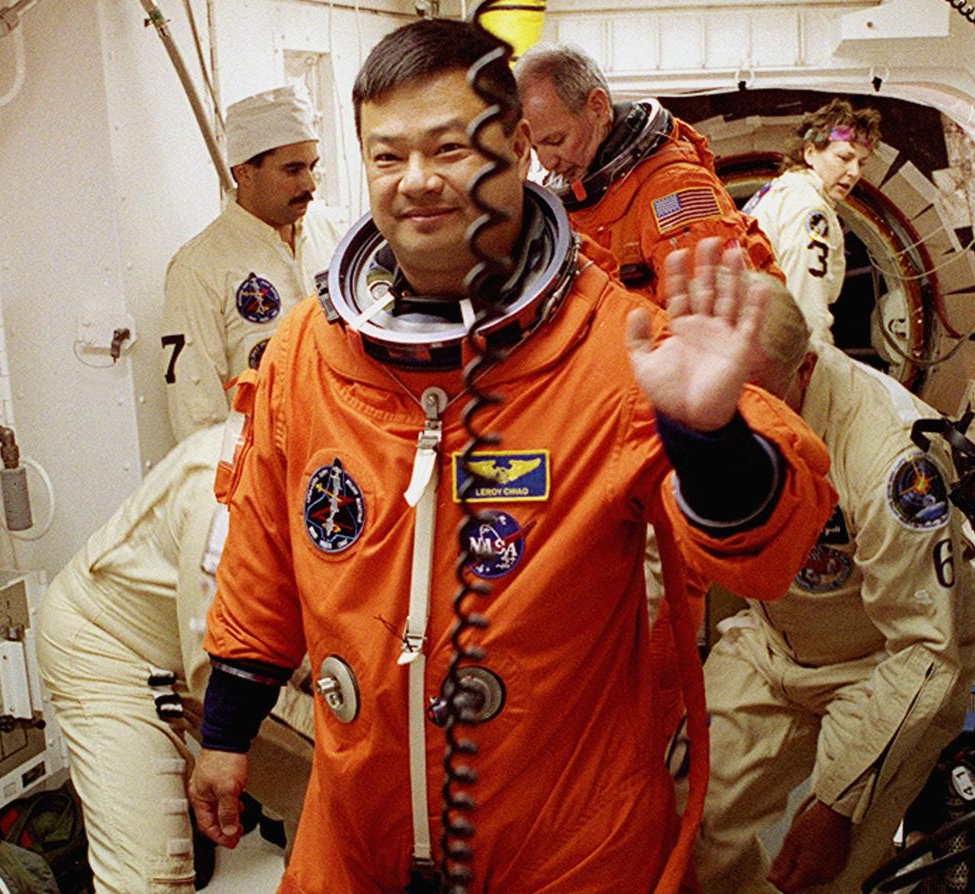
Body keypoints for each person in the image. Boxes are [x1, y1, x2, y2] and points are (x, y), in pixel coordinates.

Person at [187, 18, 836, 894]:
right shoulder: (309, 351)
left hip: (566, 836)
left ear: (518, 148)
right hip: (356, 831)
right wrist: (226, 734)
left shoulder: (610, 345)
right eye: (387, 156)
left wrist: (707, 438)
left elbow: (769, 552)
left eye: (451, 148)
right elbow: (262, 553)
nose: (417, 181)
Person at [693, 286, 975, 893]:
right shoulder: (703, 402)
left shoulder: (890, 459)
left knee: (820, 874)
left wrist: (836, 803)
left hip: (883, 666)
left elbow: (927, 652)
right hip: (773, 644)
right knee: (682, 826)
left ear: (804, 366)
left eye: (757, 397)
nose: (734, 421)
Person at [35, 426, 314, 893]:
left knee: (336, 800)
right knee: (152, 878)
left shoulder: (336, 459)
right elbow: (225, 664)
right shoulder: (225, 485)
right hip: (109, 650)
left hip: (195, 644)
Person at [514, 43, 782, 302]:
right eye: (535, 147)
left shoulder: (674, 192)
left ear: (597, 107)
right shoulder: (573, 206)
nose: (547, 162)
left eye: (556, 141)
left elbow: (715, 328)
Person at [161, 82, 344, 442]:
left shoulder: (325, 232)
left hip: (342, 448)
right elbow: (196, 412)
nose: (310, 184)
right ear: (244, 172)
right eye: (292, 170)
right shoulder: (199, 268)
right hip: (264, 469)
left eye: (312, 167)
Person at [742, 99, 881, 344]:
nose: (855, 172)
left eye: (861, 163)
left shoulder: (779, 191)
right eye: (844, 157)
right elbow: (806, 305)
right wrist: (813, 367)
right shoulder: (811, 210)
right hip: (775, 346)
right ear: (810, 152)